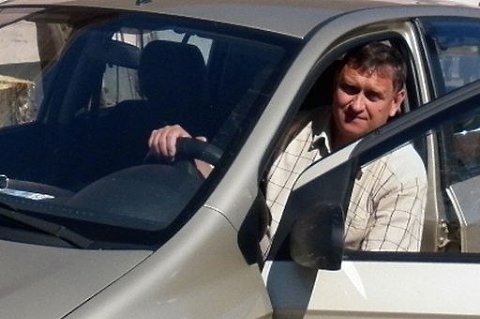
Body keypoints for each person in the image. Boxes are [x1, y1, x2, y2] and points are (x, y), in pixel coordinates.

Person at [148, 41, 427, 253]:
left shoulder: (402, 174)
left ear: (396, 102)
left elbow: (379, 279)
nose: (356, 105)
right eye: (350, 89)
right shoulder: (291, 129)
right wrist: (183, 145)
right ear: (335, 85)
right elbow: (227, 180)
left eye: (373, 96)